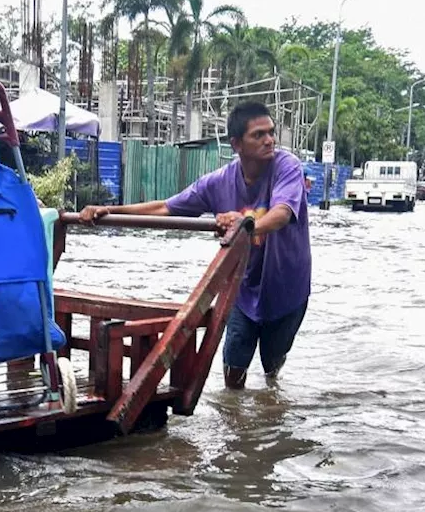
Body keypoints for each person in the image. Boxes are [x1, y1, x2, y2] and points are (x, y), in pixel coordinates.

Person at [78, 101, 310, 390]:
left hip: (288, 288)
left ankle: (270, 403)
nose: (269, 140)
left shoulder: (286, 166)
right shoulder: (218, 182)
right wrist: (110, 210)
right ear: (236, 144)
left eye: (271, 132)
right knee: (233, 369)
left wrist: (244, 224)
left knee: (272, 366)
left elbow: (282, 213)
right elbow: (166, 207)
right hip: (243, 289)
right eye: (259, 135)